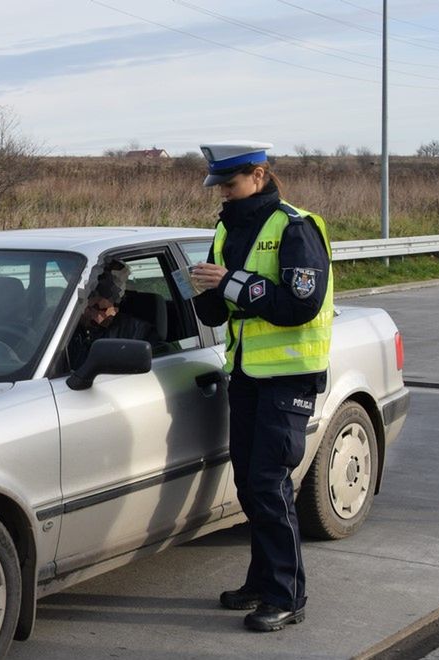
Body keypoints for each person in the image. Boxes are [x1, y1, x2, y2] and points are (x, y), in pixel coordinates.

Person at [190, 140, 333, 632]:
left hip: (289, 377)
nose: (223, 196)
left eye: (229, 185)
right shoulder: (227, 226)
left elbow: (300, 306)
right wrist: (203, 290)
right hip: (246, 375)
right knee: (250, 485)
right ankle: (261, 581)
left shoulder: (295, 227)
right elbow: (216, 308)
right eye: (218, 187)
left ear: (258, 175)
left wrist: (228, 281)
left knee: (271, 486)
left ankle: (287, 596)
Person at [66, 260, 157, 369]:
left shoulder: (138, 332)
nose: (96, 317)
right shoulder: (65, 329)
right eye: (89, 308)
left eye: (101, 309)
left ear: (115, 307)